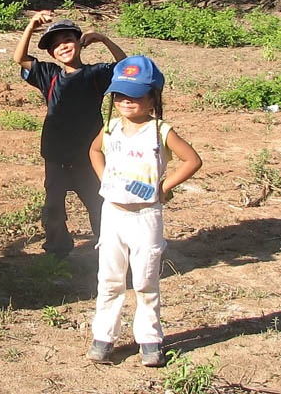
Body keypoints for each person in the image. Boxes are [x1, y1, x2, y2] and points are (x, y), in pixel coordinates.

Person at [86, 56, 202, 367]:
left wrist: (164, 187)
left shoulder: (160, 131)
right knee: (109, 279)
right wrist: (105, 179)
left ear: (153, 98)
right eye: (120, 95)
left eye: (137, 95)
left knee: (146, 280)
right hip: (112, 214)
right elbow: (94, 151)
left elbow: (192, 160)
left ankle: (150, 339)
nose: (127, 101)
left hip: (146, 217)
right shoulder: (110, 128)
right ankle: (103, 337)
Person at [14, 12, 126, 256]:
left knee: (99, 203)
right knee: (53, 205)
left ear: (79, 42)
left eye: (67, 39)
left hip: (89, 155)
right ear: (51, 53)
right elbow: (20, 57)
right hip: (56, 154)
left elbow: (126, 66)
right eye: (55, 45)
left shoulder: (96, 74)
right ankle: (57, 249)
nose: (62, 46)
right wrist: (31, 25)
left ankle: (109, 248)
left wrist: (104, 39)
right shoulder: (49, 75)